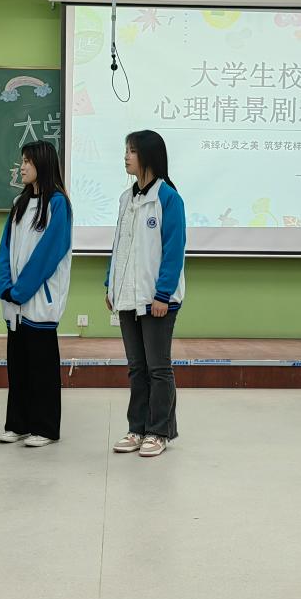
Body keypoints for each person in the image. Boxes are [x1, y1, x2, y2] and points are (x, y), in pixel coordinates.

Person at [105, 130, 185, 458]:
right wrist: (110, 284)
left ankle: (159, 431)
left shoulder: (168, 198)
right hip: (127, 296)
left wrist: (163, 294)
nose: (126, 156)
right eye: (126, 150)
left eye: (132, 151)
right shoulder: (127, 199)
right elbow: (119, 246)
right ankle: (136, 428)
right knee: (136, 368)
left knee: (158, 368)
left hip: (157, 299)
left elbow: (174, 250)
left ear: (149, 156)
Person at [0, 140, 72, 448]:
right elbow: (5, 248)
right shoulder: (19, 203)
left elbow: (48, 254)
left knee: (42, 368)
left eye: (27, 161)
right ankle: (18, 424)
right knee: (18, 366)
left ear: (42, 164)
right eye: (22, 160)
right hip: (15, 302)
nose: (22, 166)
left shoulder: (58, 204)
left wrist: (22, 289)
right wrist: (4, 286)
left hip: (39, 300)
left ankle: (46, 428)